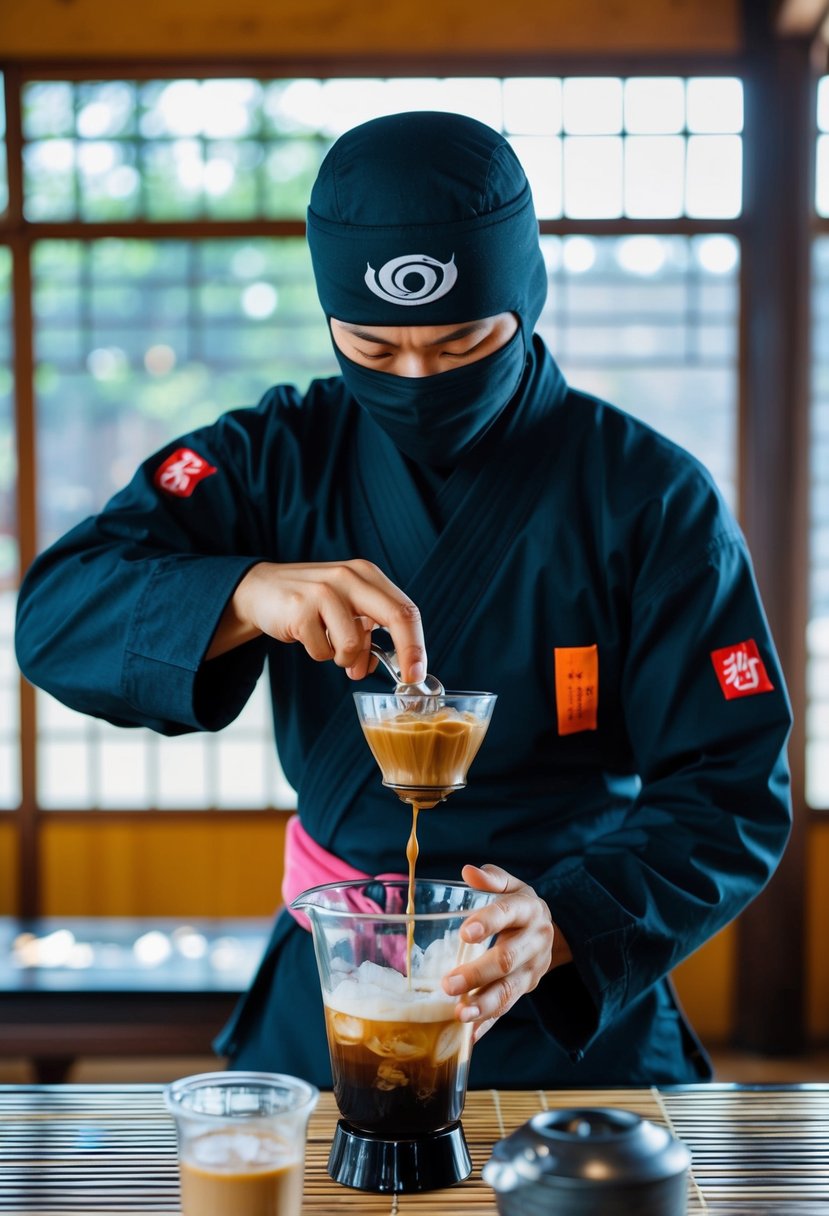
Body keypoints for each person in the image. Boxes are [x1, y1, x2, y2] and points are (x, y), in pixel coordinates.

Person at [15, 111, 792, 1087]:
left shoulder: (643, 493)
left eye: (462, 341)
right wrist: (245, 592)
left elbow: (731, 786)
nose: (418, 378)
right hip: (337, 981)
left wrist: (560, 923)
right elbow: (53, 613)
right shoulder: (271, 459)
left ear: (526, 299)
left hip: (562, 986)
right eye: (375, 352)